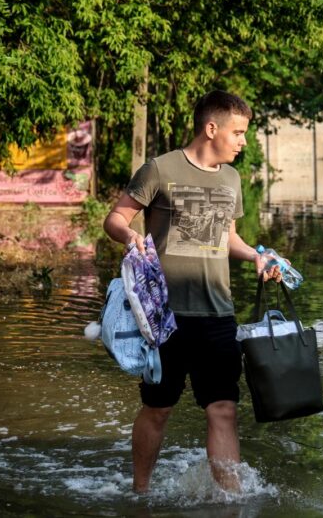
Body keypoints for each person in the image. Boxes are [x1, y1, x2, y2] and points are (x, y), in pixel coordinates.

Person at [103, 90, 279, 493]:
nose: (243, 140)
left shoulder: (232, 178)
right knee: (158, 408)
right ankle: (141, 492)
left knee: (223, 409)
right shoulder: (159, 170)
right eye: (238, 132)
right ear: (211, 128)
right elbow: (115, 216)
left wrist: (255, 255)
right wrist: (129, 235)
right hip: (163, 317)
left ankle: (229, 501)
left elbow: (227, 237)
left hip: (218, 315)